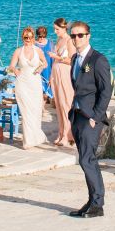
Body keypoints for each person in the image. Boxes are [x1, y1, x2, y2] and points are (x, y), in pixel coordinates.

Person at [67, 20, 110, 218]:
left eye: (80, 35)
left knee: (87, 159)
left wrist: (96, 117)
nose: (76, 39)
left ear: (88, 36)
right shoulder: (75, 59)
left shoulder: (98, 60)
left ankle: (98, 204)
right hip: (77, 115)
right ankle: (91, 201)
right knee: (85, 160)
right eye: (73, 35)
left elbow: (105, 91)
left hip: (90, 117)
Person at [6, 26, 48, 150]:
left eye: (30, 37)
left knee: (35, 111)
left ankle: (35, 137)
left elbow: (45, 63)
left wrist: (41, 68)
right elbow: (11, 66)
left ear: (33, 38)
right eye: (25, 37)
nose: (28, 39)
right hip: (22, 84)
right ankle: (27, 141)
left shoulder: (38, 50)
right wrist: (15, 70)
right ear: (22, 38)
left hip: (35, 84)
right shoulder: (18, 51)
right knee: (25, 112)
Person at [49, 18, 76, 147]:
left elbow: (72, 60)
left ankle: (68, 134)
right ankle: (61, 133)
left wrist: (58, 57)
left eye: (57, 29)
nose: (55, 32)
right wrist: (50, 76)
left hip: (65, 74)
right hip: (56, 75)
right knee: (59, 105)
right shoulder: (59, 40)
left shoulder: (69, 41)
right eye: (54, 29)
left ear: (64, 28)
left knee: (66, 104)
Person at [35, 25, 54, 99]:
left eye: (43, 36)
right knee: (39, 88)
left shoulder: (50, 43)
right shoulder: (34, 44)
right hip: (38, 68)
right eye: (40, 36)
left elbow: (53, 58)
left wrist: (53, 72)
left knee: (49, 88)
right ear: (37, 35)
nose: (42, 38)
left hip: (48, 68)